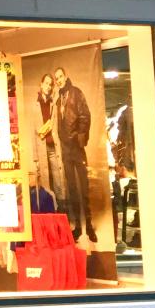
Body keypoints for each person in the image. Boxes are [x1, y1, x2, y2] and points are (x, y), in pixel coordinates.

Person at [54, 66, 95, 242]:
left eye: (60, 76)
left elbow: (85, 115)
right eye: (56, 78)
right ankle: (78, 226)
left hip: (77, 148)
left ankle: (89, 226)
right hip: (66, 150)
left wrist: (80, 136)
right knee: (71, 189)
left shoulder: (76, 93)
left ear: (66, 76)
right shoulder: (58, 100)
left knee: (84, 187)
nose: (58, 80)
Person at [34, 73, 66, 207]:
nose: (48, 86)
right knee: (45, 180)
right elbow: (33, 133)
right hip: (42, 148)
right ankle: (49, 209)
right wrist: (35, 158)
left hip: (53, 147)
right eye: (46, 83)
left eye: (50, 84)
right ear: (41, 84)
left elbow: (57, 126)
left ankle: (61, 209)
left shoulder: (53, 104)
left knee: (58, 180)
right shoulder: (35, 105)